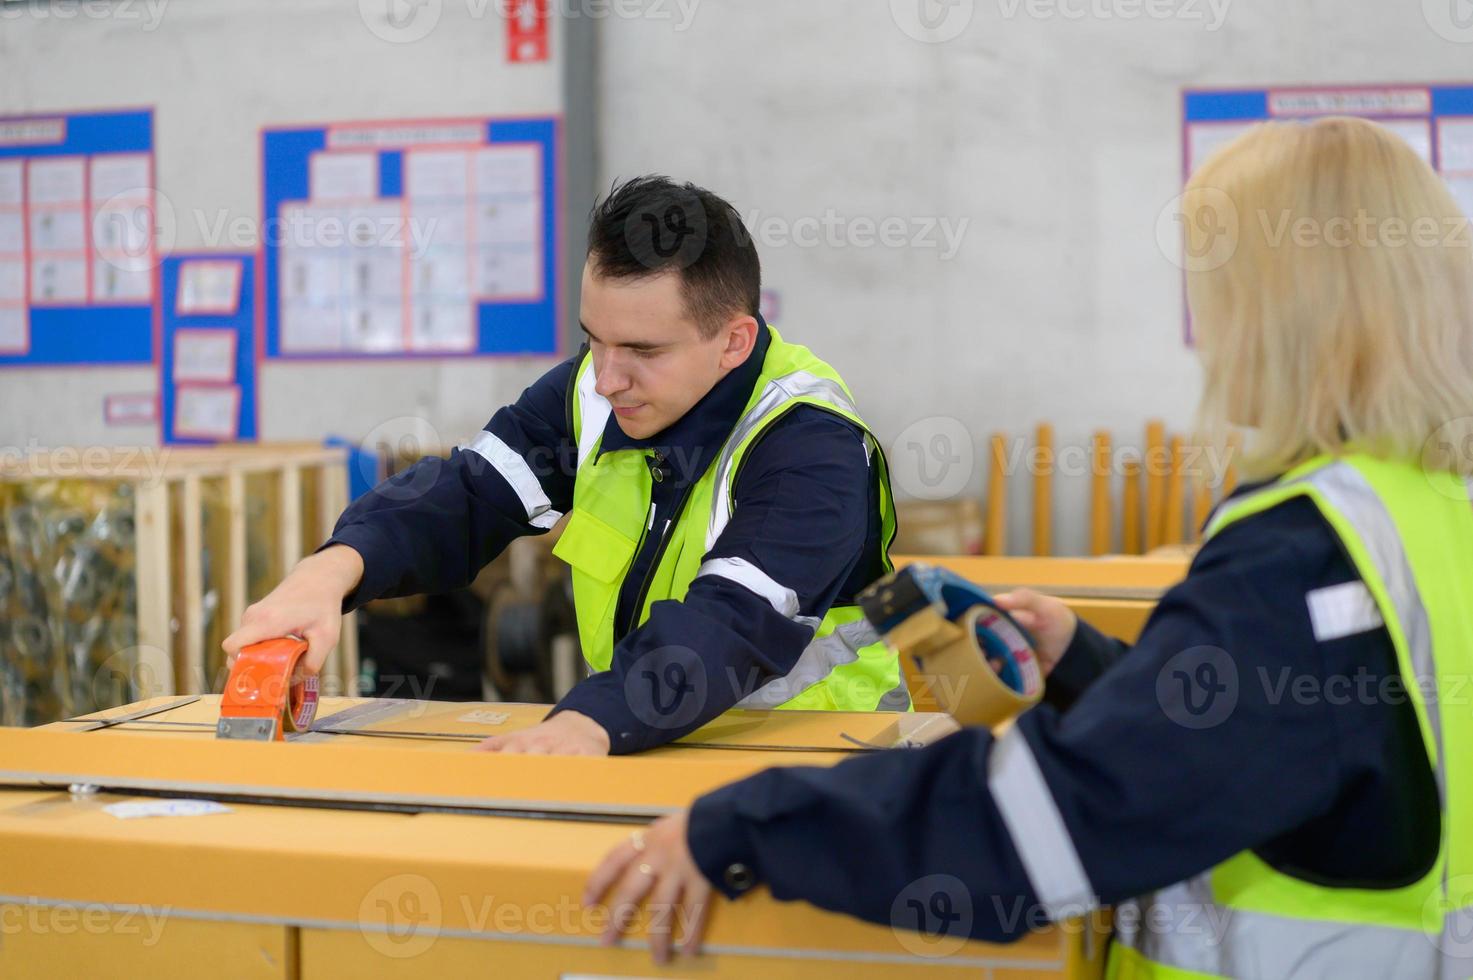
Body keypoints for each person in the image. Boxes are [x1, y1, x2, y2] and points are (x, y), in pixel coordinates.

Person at [584, 118, 1473, 977]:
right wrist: (1092, 667)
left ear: (1283, 316)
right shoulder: (1425, 510)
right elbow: (1298, 745)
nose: (1206, 336)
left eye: (1213, 297)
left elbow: (1041, 824)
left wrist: (741, 826)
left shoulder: (1300, 552)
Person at [223, 175, 907, 756]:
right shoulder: (593, 390)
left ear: (733, 341)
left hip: (821, 760)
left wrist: (593, 719)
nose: (606, 378)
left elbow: (730, 626)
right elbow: (468, 493)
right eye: (593, 338)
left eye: (642, 348)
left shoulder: (811, 447)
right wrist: (334, 568)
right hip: (649, 746)